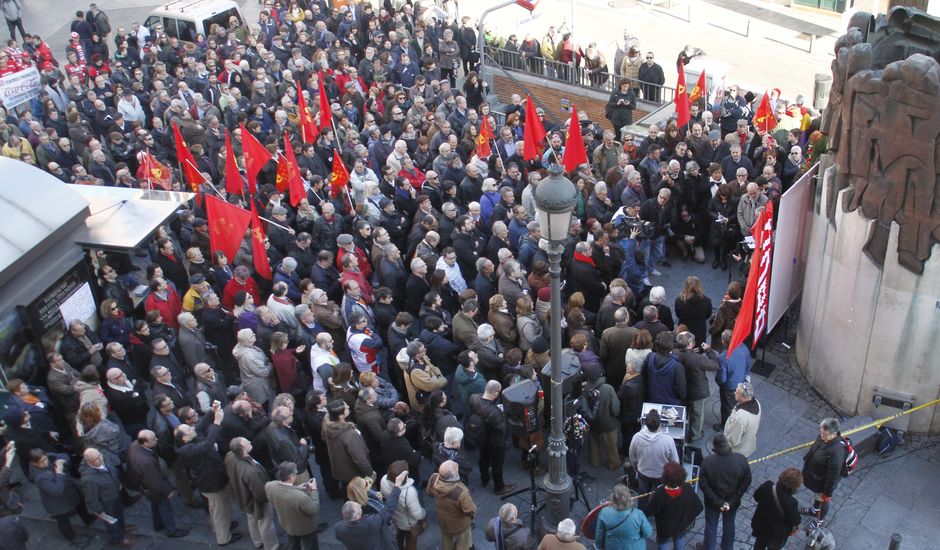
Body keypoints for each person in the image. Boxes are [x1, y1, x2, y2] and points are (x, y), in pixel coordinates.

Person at [175, 401, 241, 546]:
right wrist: (217, 422)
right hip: (211, 482)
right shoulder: (189, 450)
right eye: (189, 429)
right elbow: (207, 444)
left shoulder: (187, 440)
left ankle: (221, 528)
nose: (193, 429)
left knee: (216, 508)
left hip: (211, 479)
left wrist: (212, 411)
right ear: (185, 437)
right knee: (219, 509)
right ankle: (223, 537)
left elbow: (200, 426)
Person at [125, 429, 189, 538]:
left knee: (155, 504)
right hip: (153, 487)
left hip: (145, 486)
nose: (157, 440)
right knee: (165, 508)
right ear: (145, 443)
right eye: (153, 439)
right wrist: (167, 491)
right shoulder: (146, 462)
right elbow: (155, 481)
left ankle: (157, 524)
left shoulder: (135, 445)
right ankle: (171, 530)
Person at [28, 447, 97, 542]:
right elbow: (56, 490)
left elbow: (64, 455)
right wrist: (59, 472)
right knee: (63, 521)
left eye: (45, 459)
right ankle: (71, 536)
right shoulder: (39, 477)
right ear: (34, 463)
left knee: (80, 504)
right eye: (41, 461)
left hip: (68, 492)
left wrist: (59, 460)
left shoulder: (46, 456)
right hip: (57, 502)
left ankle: (87, 518)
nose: (45, 462)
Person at [225, 437, 279, 550]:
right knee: (266, 525)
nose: (250, 442)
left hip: (243, 497)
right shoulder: (251, 471)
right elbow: (260, 494)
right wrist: (269, 499)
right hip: (255, 502)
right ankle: (272, 546)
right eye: (247, 442)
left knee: (252, 520)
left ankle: (257, 541)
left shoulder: (230, 456)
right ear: (243, 450)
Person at [699, 434, 752, 550]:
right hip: (732, 503)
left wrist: (719, 502)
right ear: (728, 445)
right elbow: (746, 481)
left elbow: (703, 485)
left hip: (713, 503)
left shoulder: (708, 462)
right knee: (729, 525)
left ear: (715, 447)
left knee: (711, 527)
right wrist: (731, 501)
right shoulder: (740, 459)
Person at [334, 469, 407, 549]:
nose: (368, 482)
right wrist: (397, 486)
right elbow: (387, 511)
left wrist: (379, 497)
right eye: (366, 483)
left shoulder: (339, 527)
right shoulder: (368, 518)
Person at [79, 448, 135, 547]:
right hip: (106, 502)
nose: (101, 458)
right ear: (89, 461)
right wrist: (99, 510)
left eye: (100, 455)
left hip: (115, 495)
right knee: (111, 521)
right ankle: (118, 538)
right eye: (97, 458)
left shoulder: (103, 461)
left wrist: (118, 484)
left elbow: (113, 472)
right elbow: (91, 497)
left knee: (119, 513)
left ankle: (121, 528)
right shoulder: (88, 479)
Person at [469, 380, 516, 496]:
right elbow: (503, 429)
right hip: (496, 441)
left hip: (481, 436)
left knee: (483, 459)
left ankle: (484, 479)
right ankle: (499, 487)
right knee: (497, 464)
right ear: (495, 393)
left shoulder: (474, 398)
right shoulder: (495, 412)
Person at [672, 331, 718, 442]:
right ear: (691, 344)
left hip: (679, 388)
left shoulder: (674, 353)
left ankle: (678, 430)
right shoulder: (698, 359)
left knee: (681, 410)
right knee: (697, 414)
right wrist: (708, 350)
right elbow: (715, 365)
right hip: (696, 391)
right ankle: (695, 434)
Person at [645, 462, 703, 550]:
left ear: (665, 478)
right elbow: (699, 507)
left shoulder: (660, 493)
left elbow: (650, 511)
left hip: (665, 528)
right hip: (681, 524)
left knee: (662, 542)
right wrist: (687, 518)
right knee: (679, 538)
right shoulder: (687, 487)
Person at [266, 462, 322, 550]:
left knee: (293, 545)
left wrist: (297, 487)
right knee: (310, 546)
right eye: (295, 474)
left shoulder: (269, 486)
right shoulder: (300, 497)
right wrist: (314, 489)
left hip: (287, 524)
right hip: (305, 527)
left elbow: (282, 488)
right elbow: (314, 509)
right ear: (291, 476)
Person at [800, 417, 847, 524]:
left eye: (824, 434)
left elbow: (833, 475)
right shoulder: (824, 437)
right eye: (821, 432)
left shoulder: (837, 453)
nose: (821, 435)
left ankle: (819, 521)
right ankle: (815, 510)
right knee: (818, 496)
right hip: (815, 478)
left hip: (822, 483)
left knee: (823, 501)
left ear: (833, 434)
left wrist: (827, 493)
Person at [427, 460, 476, 550]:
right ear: (453, 476)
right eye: (456, 468)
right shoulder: (461, 492)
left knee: (446, 540)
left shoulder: (434, 478)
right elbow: (470, 510)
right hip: (460, 525)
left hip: (444, 520)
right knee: (463, 542)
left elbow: (429, 492)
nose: (457, 465)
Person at [627, 409, 678, 495]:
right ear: (659, 424)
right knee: (660, 496)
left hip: (643, 472)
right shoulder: (668, 441)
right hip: (661, 475)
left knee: (643, 495)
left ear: (645, 424)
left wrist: (636, 468)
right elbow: (675, 462)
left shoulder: (636, 437)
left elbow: (632, 457)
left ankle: (643, 508)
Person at [751, 468, 803, 550]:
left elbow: (756, 497)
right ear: (795, 486)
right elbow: (796, 520)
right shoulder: (791, 503)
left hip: (761, 526)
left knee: (759, 545)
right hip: (775, 535)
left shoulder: (767, 486)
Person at [380, 460, 426, 550]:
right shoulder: (409, 492)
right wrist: (423, 513)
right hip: (408, 523)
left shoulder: (383, 480)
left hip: (395, 518)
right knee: (411, 541)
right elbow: (417, 514)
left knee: (399, 537)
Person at [595, 484, 652, 550]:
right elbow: (648, 533)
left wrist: (599, 547)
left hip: (613, 547)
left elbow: (599, 534)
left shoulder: (604, 512)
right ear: (628, 498)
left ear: (613, 497)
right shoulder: (638, 514)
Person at [715, 330, 751, 429]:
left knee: (727, 407)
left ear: (723, 341)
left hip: (729, 387)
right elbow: (748, 364)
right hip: (742, 381)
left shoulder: (723, 357)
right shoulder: (743, 347)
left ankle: (726, 426)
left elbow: (722, 378)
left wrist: (719, 382)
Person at [724, 382, 761, 457]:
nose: (734, 393)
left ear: (744, 397)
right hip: (747, 445)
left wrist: (723, 448)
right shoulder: (756, 403)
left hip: (736, 452)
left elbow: (733, 440)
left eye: (737, 392)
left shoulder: (740, 417)